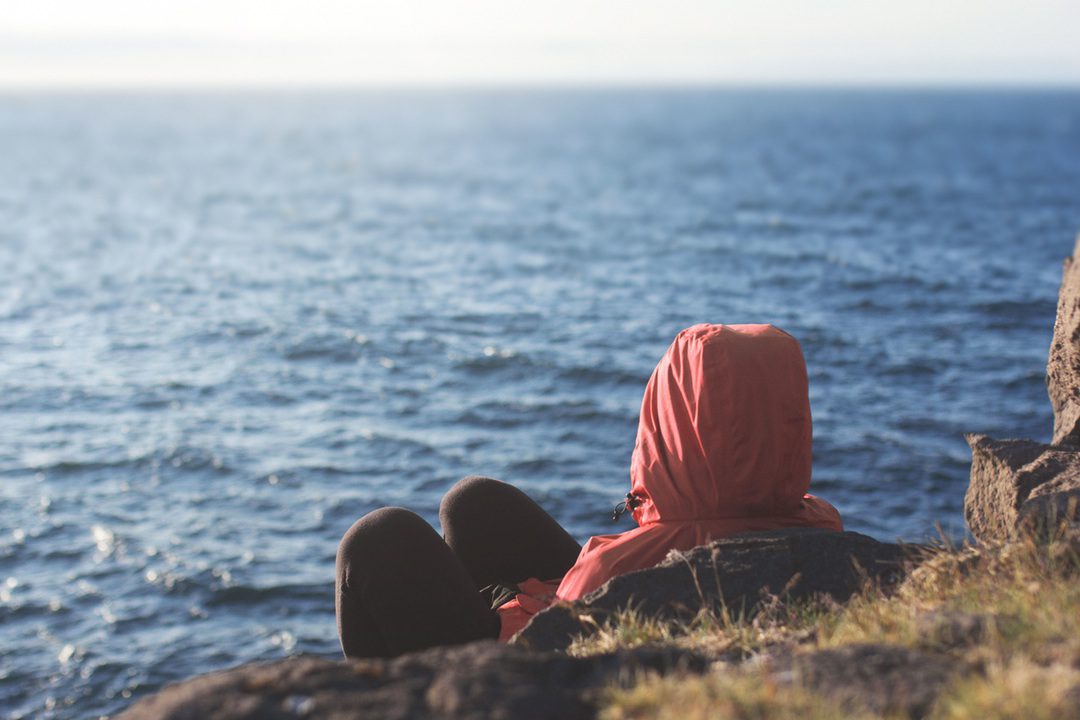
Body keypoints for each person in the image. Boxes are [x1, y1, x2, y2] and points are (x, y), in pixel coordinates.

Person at [335, 323, 843, 659]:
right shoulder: (821, 527)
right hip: (642, 605)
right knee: (473, 504)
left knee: (378, 539)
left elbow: (551, 648)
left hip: (526, 673)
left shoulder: (614, 573)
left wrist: (513, 610)